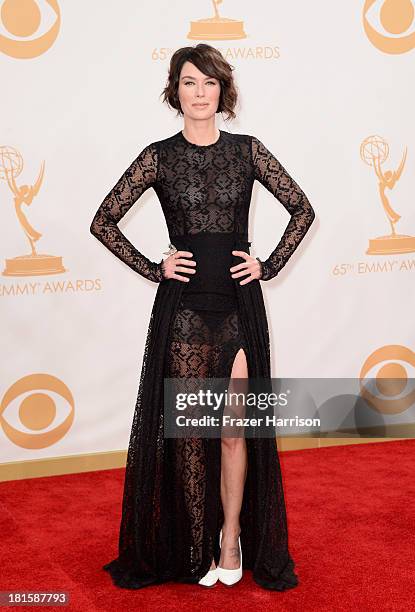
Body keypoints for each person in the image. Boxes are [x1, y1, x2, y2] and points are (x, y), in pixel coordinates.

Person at [90, 43, 315, 591]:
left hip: (239, 311)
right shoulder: (159, 156)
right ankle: (195, 545)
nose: (199, 93)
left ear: (222, 91)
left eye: (209, 83)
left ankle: (231, 537)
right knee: (191, 436)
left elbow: (303, 208)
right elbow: (104, 221)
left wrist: (269, 263)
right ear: (175, 90)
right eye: (189, 82)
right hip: (185, 313)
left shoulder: (247, 151)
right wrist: (154, 266)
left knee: (235, 432)